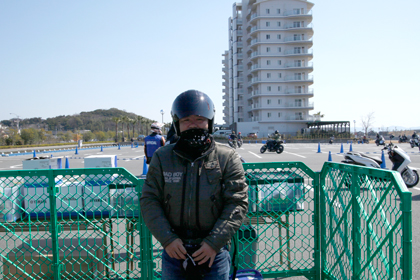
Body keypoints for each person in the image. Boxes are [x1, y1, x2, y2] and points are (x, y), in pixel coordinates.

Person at [140, 90, 248, 280]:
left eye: (199, 119)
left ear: (210, 122)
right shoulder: (162, 157)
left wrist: (213, 243)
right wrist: (168, 240)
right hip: (174, 251)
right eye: (186, 120)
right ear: (177, 125)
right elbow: (150, 200)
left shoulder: (227, 157)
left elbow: (237, 202)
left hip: (214, 252)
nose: (193, 125)